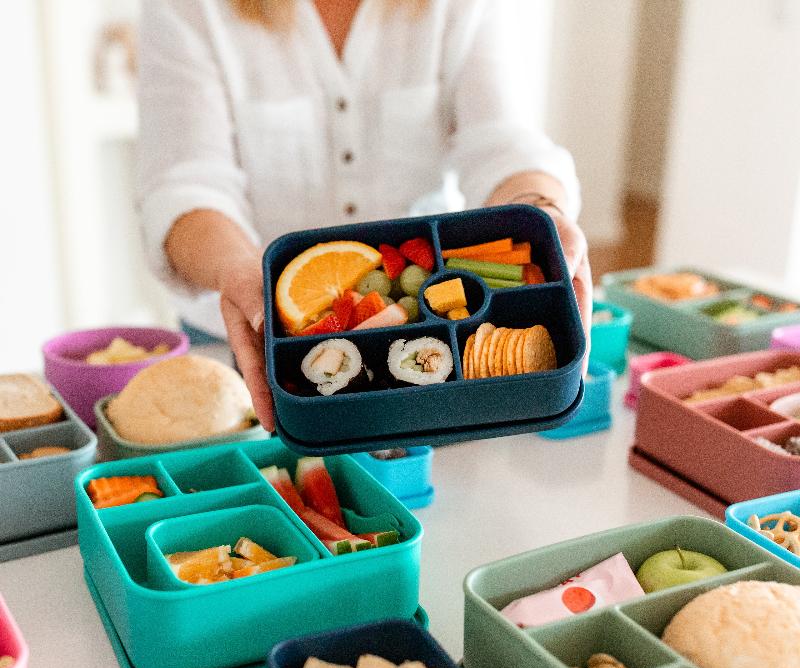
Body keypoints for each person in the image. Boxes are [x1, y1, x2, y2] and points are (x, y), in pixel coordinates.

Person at [137, 0, 592, 431]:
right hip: (243, 338)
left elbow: (504, 143)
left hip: (438, 348)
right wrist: (236, 269)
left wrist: (542, 207)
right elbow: (186, 185)